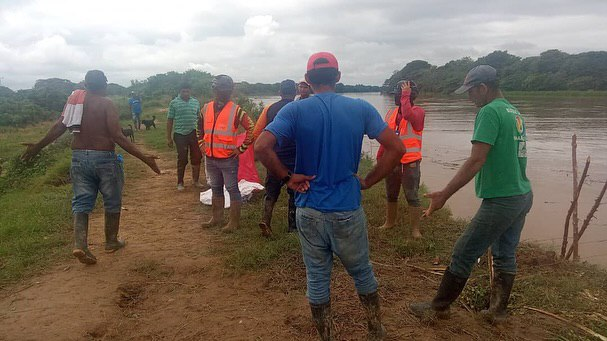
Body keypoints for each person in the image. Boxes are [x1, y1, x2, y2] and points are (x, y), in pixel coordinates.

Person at [255, 52, 405, 340]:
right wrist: (370, 180)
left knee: (317, 276)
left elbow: (262, 147)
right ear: (338, 77)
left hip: (309, 206)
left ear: (308, 81)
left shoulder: (295, 111)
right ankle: (376, 330)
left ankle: (327, 335)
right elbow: (397, 148)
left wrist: (288, 178)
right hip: (346, 207)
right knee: (361, 270)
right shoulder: (360, 108)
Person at [410, 65, 532, 325]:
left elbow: (476, 161)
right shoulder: (513, 111)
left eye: (471, 92)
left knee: (465, 251)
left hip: (502, 199)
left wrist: (444, 194)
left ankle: (439, 308)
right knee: (504, 253)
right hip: (521, 194)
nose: (469, 98)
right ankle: (497, 312)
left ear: (483, 88)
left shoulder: (488, 112)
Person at [22, 70, 160, 265]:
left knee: (81, 202)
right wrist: (145, 158)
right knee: (112, 200)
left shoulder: (74, 102)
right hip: (104, 158)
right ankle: (111, 242)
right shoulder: (106, 104)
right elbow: (118, 136)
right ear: (104, 84)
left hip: (79, 158)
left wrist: (37, 146)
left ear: (85, 85)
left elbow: (59, 127)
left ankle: (80, 244)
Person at [198, 74, 255, 233]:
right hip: (210, 157)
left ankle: (234, 222)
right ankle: (216, 218)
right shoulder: (206, 108)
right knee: (215, 188)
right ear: (214, 90)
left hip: (228, 159)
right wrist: (201, 144)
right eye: (217, 89)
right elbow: (199, 128)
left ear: (229, 91)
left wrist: (241, 148)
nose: (220, 93)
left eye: (224, 90)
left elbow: (252, 128)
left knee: (232, 189)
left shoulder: (236, 111)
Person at [376, 80, 425, 238]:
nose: (397, 97)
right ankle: (389, 222)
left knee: (412, 196)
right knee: (391, 193)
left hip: (410, 162)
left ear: (409, 95)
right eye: (398, 94)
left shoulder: (418, 112)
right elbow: (386, 137)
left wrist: (406, 96)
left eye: (400, 94)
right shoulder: (390, 113)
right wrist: (380, 156)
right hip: (392, 160)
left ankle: (415, 229)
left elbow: (408, 114)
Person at [252, 79, 298, 237]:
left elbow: (257, 134)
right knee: (294, 192)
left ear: (280, 92)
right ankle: (293, 227)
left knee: (271, 191)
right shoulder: (299, 108)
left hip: (274, 158)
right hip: (295, 159)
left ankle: (266, 220)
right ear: (295, 92)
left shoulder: (269, 109)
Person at [167, 82, 203, 191]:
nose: (186, 93)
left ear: (190, 91)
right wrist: (168, 137)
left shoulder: (195, 102)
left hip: (194, 134)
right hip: (180, 134)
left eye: (187, 91)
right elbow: (170, 120)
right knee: (182, 158)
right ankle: (180, 182)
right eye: (183, 91)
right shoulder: (174, 103)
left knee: (197, 157)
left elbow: (199, 118)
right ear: (180, 91)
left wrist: (202, 134)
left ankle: (196, 181)